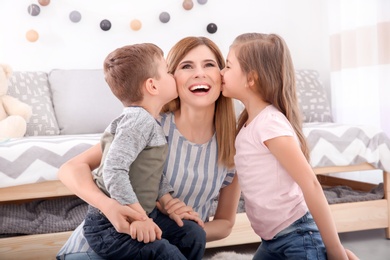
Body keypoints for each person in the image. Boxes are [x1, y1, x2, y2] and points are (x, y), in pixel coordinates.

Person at [56, 36, 241, 260]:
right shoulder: (149, 123)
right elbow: (72, 168)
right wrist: (110, 207)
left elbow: (225, 223)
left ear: (221, 76)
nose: (199, 73)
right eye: (186, 66)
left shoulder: (235, 143)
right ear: (170, 78)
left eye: (209, 64)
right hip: (105, 242)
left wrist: (178, 218)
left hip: (157, 242)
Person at [220, 32, 358, 260]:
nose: (221, 73)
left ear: (251, 78)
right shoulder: (247, 123)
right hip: (272, 240)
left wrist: (334, 249)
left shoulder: (270, 124)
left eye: (227, 66)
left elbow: (311, 185)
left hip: (298, 237)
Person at [81, 43, 205, 260]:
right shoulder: (138, 121)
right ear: (152, 86)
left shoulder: (148, 121)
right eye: (167, 71)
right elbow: (113, 170)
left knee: (192, 234)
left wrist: (167, 201)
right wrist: (140, 218)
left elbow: (150, 172)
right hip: (110, 226)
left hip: (146, 212)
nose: (172, 75)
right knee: (164, 253)